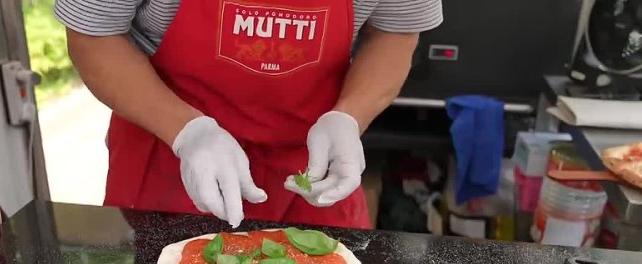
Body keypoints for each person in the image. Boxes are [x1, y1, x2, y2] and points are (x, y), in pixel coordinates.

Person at [55, 0, 442, 229]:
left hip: (309, 165)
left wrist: (349, 116)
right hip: (168, 156)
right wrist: (187, 131)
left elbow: (395, 31)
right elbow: (93, 34)